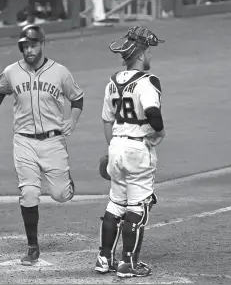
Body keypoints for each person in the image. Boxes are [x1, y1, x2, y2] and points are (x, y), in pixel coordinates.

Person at [0, 24, 84, 266]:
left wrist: (72, 120)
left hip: (54, 141)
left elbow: (77, 97)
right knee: (29, 192)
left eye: (33, 45)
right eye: (25, 46)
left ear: (42, 45)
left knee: (60, 195)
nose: (29, 50)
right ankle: (32, 247)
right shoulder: (11, 72)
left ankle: (66, 183)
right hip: (24, 141)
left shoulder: (60, 72)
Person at [94, 26, 165, 278]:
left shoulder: (112, 83)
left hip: (116, 147)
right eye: (149, 52)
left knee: (116, 203)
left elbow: (106, 120)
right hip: (137, 149)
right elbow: (153, 113)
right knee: (138, 205)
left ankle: (104, 259)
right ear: (141, 54)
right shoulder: (148, 81)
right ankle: (128, 263)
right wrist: (159, 131)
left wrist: (112, 149)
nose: (151, 57)